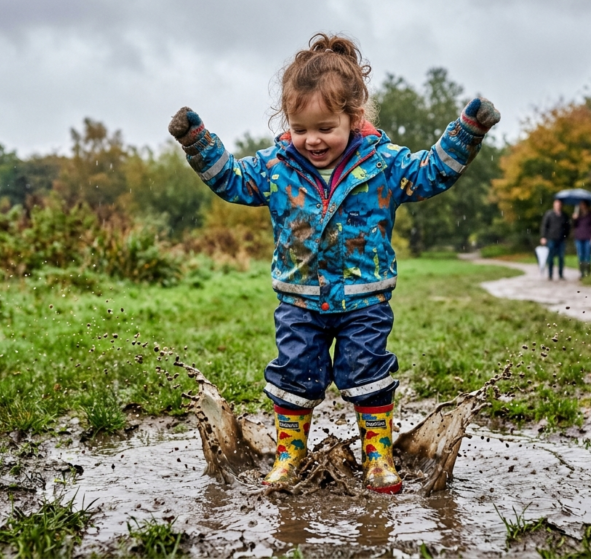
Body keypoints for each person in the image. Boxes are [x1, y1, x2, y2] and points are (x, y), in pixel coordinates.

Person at [168, 34, 499, 494]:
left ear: (354, 117)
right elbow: (232, 180)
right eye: (300, 129)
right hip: (299, 301)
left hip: (364, 299)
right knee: (293, 376)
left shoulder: (383, 164)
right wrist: (197, 141)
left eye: (325, 127)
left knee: (369, 374)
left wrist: (466, 132)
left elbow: (431, 172)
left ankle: (377, 454)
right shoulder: (277, 167)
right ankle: (289, 455)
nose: (312, 140)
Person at [540, 199, 570, 280]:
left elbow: (567, 228)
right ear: (554, 205)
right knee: (550, 258)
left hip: (561, 240)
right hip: (551, 239)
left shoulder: (564, 216)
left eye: (559, 204)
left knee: (561, 257)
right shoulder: (549, 214)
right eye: (557, 204)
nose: (558, 206)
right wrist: (543, 237)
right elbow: (544, 226)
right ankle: (550, 275)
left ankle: (560, 274)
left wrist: (565, 236)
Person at [572, 200, 591, 277]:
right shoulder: (577, 214)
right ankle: (582, 272)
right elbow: (574, 226)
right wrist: (574, 219)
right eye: (581, 204)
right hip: (579, 237)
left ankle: (588, 271)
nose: (582, 206)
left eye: (583, 204)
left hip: (588, 237)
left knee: (588, 255)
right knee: (580, 255)